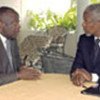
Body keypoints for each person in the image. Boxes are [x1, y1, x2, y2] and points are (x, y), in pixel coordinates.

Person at [0, 6, 41, 85]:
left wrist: (23, 68)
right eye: (14, 24)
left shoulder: (12, 39)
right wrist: (19, 75)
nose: (19, 27)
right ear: (1, 25)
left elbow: (16, 63)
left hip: (13, 85)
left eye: (18, 23)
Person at [70, 4, 100, 86]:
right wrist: (78, 75)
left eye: (86, 21)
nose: (83, 24)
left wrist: (91, 77)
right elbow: (76, 67)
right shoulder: (84, 40)